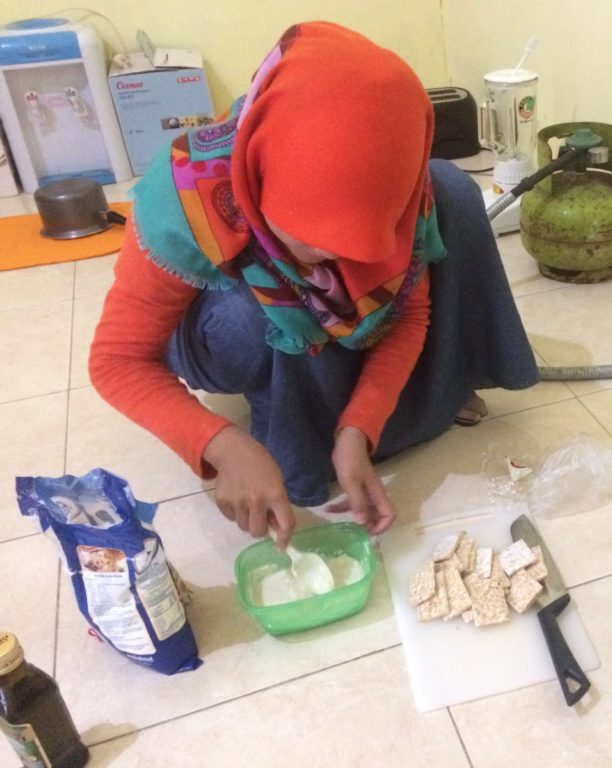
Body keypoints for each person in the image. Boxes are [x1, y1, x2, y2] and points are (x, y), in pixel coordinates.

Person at [89, 22, 538, 547]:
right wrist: (219, 443)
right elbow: (116, 361)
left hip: (301, 313)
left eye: (360, 247)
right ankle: (291, 411)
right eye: (310, 236)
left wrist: (357, 429)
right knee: (253, 313)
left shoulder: (406, 187)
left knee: (454, 192)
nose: (334, 262)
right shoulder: (187, 198)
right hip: (218, 325)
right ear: (256, 176)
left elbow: (410, 313)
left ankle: (394, 396)